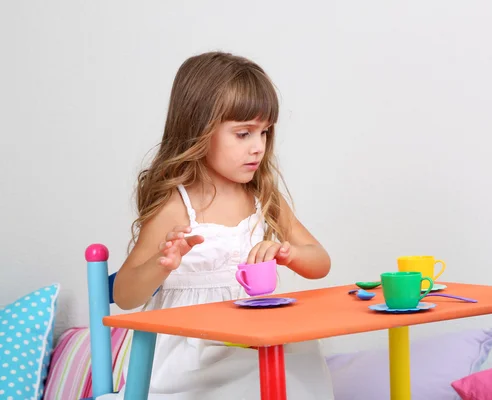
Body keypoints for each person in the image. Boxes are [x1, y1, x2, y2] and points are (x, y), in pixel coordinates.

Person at [110, 51, 335, 399]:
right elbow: (125, 295)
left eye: (264, 133)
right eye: (243, 134)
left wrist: (287, 253)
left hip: (251, 338)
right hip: (195, 353)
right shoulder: (177, 206)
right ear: (199, 130)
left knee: (301, 362)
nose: (258, 147)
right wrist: (162, 264)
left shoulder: (263, 195)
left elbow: (320, 262)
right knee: (256, 381)